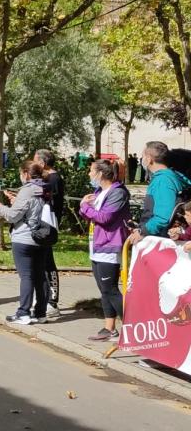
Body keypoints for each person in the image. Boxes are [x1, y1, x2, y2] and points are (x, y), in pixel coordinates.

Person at [0, 160, 48, 325]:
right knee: (40, 276)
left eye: (21, 174)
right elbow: (33, 210)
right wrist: (16, 201)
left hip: (24, 238)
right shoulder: (46, 188)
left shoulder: (27, 190)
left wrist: (0, 206)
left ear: (26, 174)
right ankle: (41, 313)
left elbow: (13, 216)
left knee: (27, 276)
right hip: (43, 237)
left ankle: (23, 312)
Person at [79, 160, 130, 341]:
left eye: (91, 171)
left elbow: (105, 217)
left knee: (111, 290)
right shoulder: (99, 192)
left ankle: (132, 327)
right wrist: (84, 207)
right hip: (97, 246)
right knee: (104, 290)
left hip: (109, 245)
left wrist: (85, 207)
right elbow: (91, 215)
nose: (89, 174)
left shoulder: (118, 192)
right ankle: (109, 329)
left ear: (100, 174)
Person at [130, 141, 190, 244]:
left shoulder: (163, 180)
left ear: (149, 159)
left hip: (160, 239)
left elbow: (162, 217)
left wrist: (142, 231)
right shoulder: (171, 176)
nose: (142, 159)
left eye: (143, 156)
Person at [33, 149, 64, 317]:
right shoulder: (47, 179)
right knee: (41, 263)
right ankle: (42, 298)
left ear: (43, 164)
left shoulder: (53, 179)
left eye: (34, 162)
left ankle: (52, 301)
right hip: (42, 227)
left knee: (48, 264)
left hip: (48, 227)